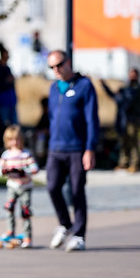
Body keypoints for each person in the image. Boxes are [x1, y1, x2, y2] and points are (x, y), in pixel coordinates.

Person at [45, 50, 100, 252]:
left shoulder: (84, 86)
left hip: (77, 148)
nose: (56, 70)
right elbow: (52, 117)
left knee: (76, 190)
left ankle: (78, 235)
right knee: (52, 187)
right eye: (52, 67)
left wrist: (90, 149)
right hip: (56, 148)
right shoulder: (53, 88)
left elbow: (92, 119)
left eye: (59, 65)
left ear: (68, 62)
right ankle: (65, 224)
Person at [0, 125, 39, 248]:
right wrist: (4, 171)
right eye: (11, 140)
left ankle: (27, 236)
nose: (14, 142)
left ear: (21, 140)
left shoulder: (26, 154)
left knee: (25, 211)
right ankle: (10, 230)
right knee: (9, 208)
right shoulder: (6, 155)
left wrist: (24, 171)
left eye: (17, 139)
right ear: (7, 141)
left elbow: (35, 169)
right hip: (12, 186)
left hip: (25, 187)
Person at [100, 68, 140, 173]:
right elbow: (115, 97)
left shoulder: (138, 88)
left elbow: (127, 99)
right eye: (131, 74)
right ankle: (123, 163)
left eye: (134, 74)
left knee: (133, 142)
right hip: (123, 119)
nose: (132, 76)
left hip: (133, 119)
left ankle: (134, 164)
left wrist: (121, 95)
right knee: (124, 142)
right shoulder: (125, 88)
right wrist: (104, 85)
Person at [0, 42, 18, 127]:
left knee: (13, 124)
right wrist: (5, 81)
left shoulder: (7, 68)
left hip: (10, 100)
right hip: (1, 101)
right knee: (3, 123)